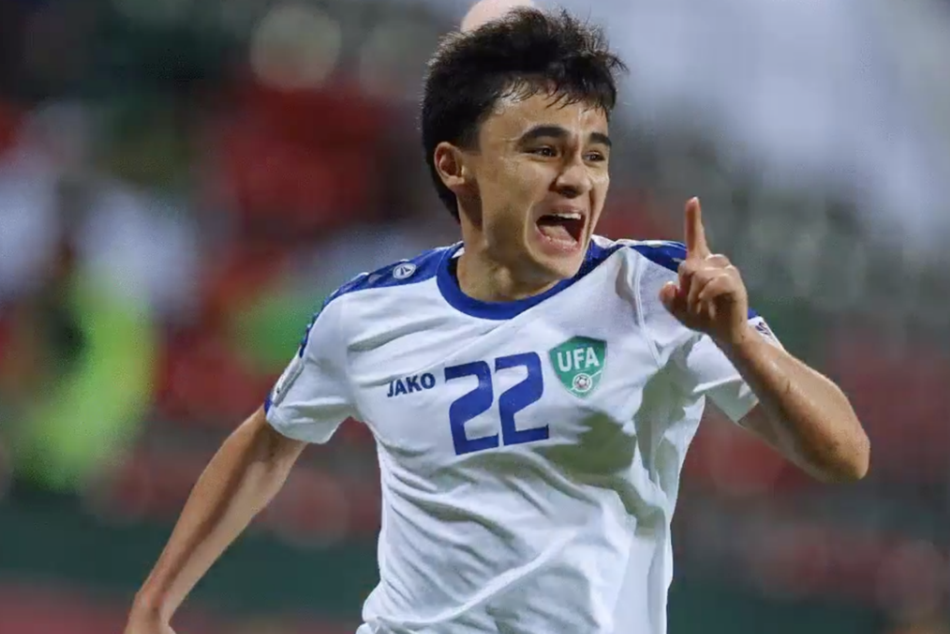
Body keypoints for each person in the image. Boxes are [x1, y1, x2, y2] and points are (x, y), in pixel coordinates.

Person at [125, 6, 870, 634]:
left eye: (595, 155)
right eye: (544, 150)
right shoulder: (366, 315)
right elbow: (268, 440)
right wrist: (156, 600)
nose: (577, 178)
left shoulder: (658, 293)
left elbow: (845, 455)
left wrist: (737, 340)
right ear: (455, 166)